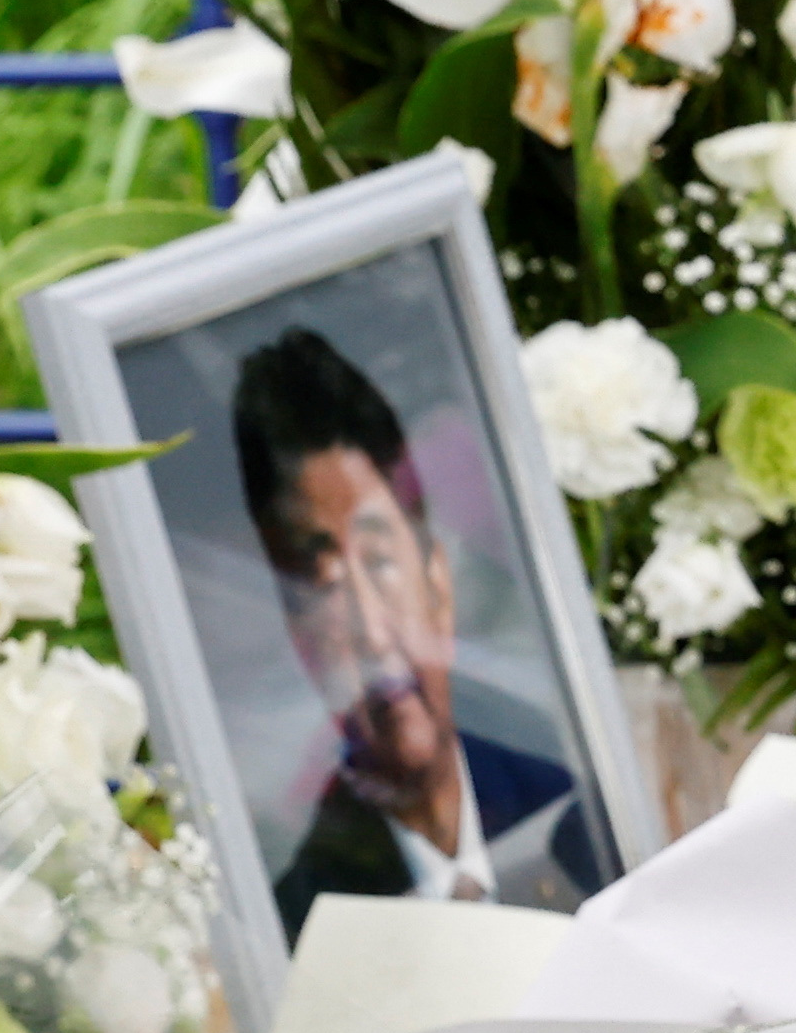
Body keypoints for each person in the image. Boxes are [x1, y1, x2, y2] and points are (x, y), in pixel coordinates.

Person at [234, 325, 610, 931]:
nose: (375, 637)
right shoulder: (304, 925)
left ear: (439, 583)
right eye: (322, 587)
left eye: (380, 563)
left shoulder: (582, 814)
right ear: (296, 638)